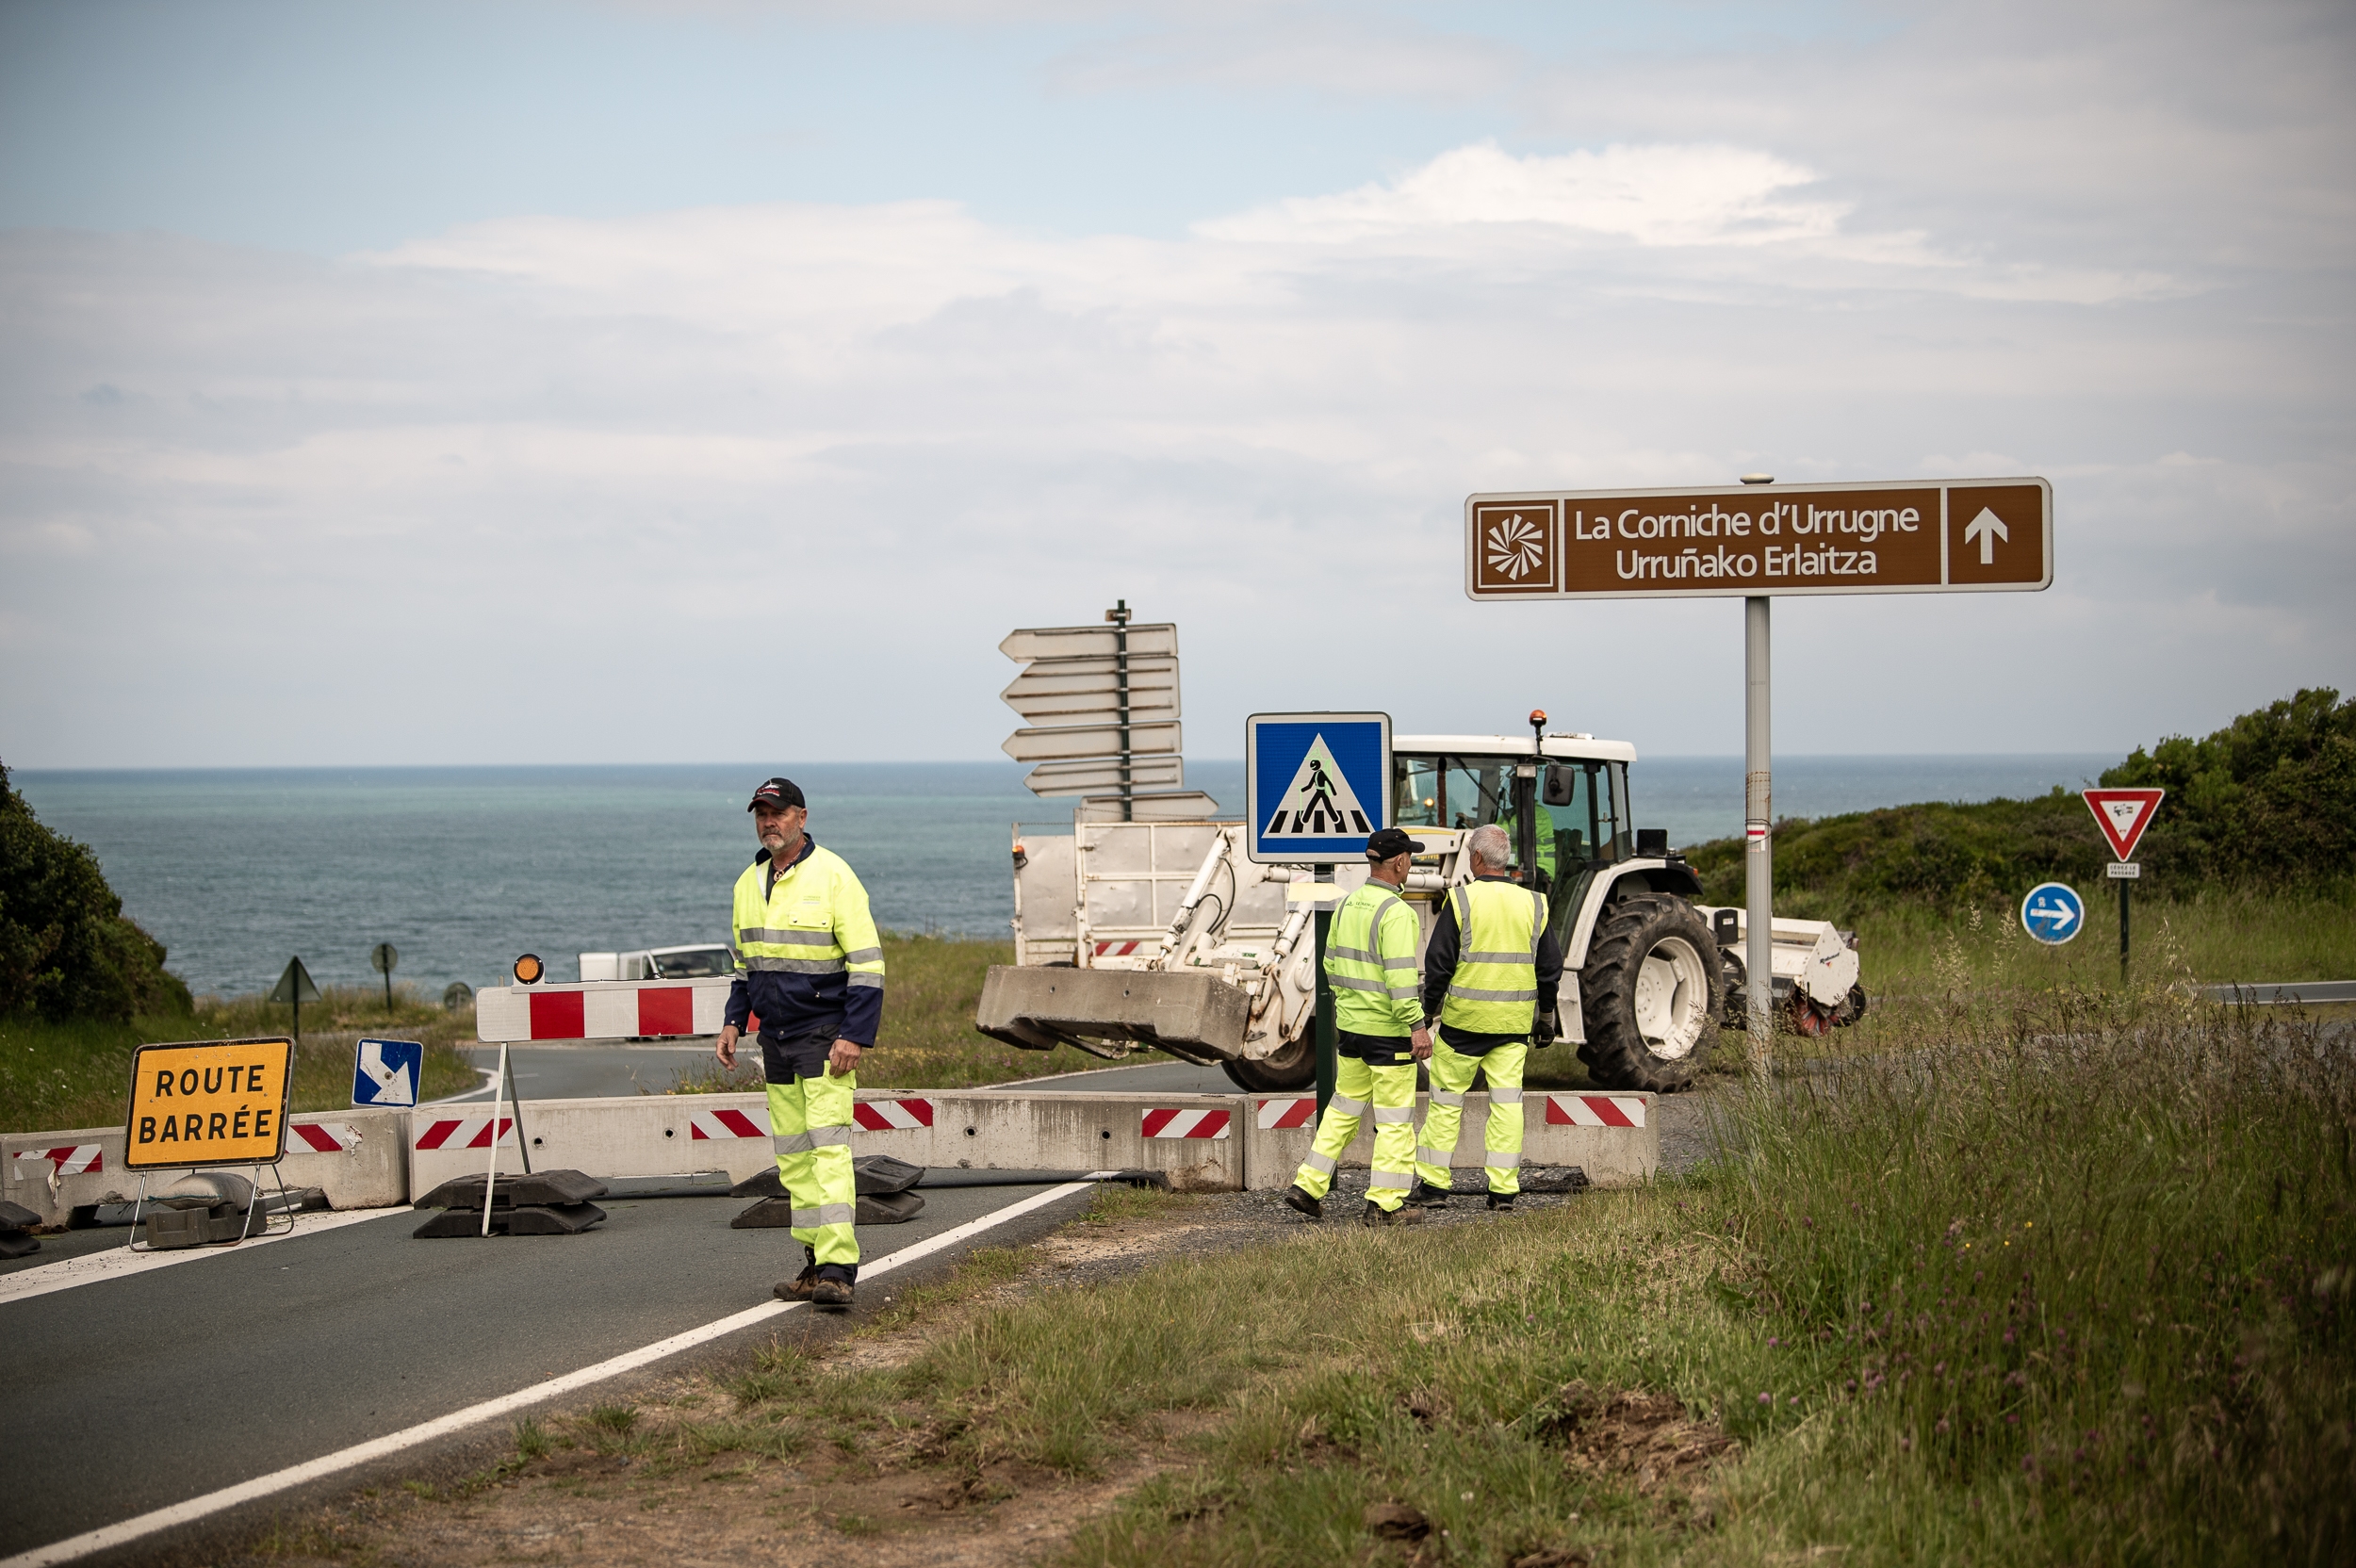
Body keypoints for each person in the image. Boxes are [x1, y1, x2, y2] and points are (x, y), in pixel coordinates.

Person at [715, 776, 885, 1308]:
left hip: (825, 1037)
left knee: (829, 1153)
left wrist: (855, 1035)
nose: (769, 821)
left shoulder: (834, 875)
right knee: (794, 1159)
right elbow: (745, 967)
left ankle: (839, 1271)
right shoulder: (748, 883)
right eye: (761, 814)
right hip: (777, 1040)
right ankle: (813, 1266)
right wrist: (732, 1021)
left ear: (802, 817)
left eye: (778, 812)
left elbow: (867, 964)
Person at [1283, 827, 1432, 1227]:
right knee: (1396, 1122)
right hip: (1388, 1033)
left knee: (1343, 1109)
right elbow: (1401, 981)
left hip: (1350, 1031)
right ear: (1399, 862)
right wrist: (1417, 1027)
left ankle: (1308, 1186)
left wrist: (1352, 1010)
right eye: (1409, 858)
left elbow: (1329, 965)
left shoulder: (1348, 905)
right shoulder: (1397, 912)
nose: (1410, 864)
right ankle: (1385, 1205)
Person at [1412, 822, 1564, 1212]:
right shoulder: (1536, 903)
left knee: (1446, 1104)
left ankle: (1433, 1187)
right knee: (1507, 1106)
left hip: (1463, 1026)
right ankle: (1502, 1192)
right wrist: (1545, 1017)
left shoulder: (1461, 901)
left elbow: (1439, 965)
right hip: (1513, 1028)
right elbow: (1549, 969)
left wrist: (1426, 1016)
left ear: (1476, 858)